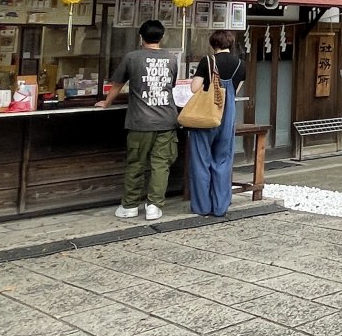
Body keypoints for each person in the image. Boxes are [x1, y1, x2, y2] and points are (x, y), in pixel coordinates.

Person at [97, 19, 179, 221]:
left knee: (136, 164)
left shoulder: (132, 57)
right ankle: (154, 206)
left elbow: (117, 84)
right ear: (162, 37)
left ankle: (130, 205)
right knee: (161, 165)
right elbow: (171, 85)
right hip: (167, 120)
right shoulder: (171, 59)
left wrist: (106, 102)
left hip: (140, 121)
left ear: (141, 37)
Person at [184, 31, 245, 217]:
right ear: (230, 43)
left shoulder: (208, 61)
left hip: (206, 115)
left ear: (213, 44)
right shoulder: (240, 64)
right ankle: (220, 207)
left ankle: (202, 206)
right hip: (228, 115)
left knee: (200, 160)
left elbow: (194, 88)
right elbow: (235, 90)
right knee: (223, 159)